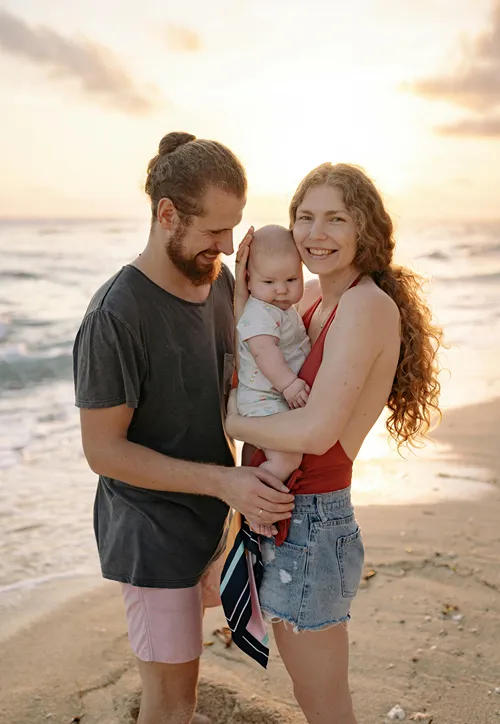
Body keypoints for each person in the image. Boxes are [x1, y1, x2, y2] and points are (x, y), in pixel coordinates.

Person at [72, 131, 295, 724]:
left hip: (209, 523)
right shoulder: (115, 316)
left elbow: (238, 378)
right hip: (151, 535)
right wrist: (224, 485)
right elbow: (103, 451)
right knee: (171, 705)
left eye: (234, 229)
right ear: (166, 214)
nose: (225, 246)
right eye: (213, 231)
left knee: (184, 692)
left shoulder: (220, 283)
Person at [225, 162, 442, 724]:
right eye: (305, 217)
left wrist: (228, 422)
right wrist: (242, 275)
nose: (316, 234)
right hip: (283, 512)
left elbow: (316, 432)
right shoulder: (311, 298)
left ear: (363, 228)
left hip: (314, 525)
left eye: (335, 219)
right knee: (310, 696)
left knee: (324, 704)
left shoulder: (366, 306)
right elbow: (246, 347)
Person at [236, 224, 311, 536]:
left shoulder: (280, 307)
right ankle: (255, 506)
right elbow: (266, 354)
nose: (282, 289)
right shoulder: (258, 314)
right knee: (286, 457)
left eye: (291, 280)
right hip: (264, 399)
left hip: (273, 397)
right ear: (249, 280)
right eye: (269, 282)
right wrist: (290, 385)